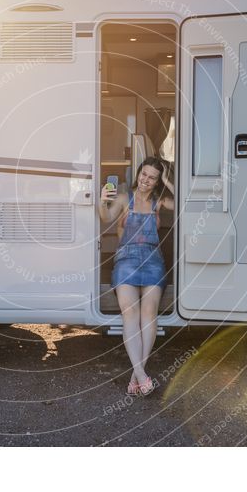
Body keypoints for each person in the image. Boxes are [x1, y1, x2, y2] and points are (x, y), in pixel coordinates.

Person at [99, 156, 174, 395]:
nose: (146, 180)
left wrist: (167, 181)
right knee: (129, 312)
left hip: (153, 260)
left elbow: (185, 201)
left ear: (157, 181)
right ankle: (141, 374)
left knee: (148, 313)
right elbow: (106, 217)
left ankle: (136, 377)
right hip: (126, 260)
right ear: (138, 173)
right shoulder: (124, 198)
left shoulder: (159, 200)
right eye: (144, 174)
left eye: (153, 177)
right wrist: (102, 201)